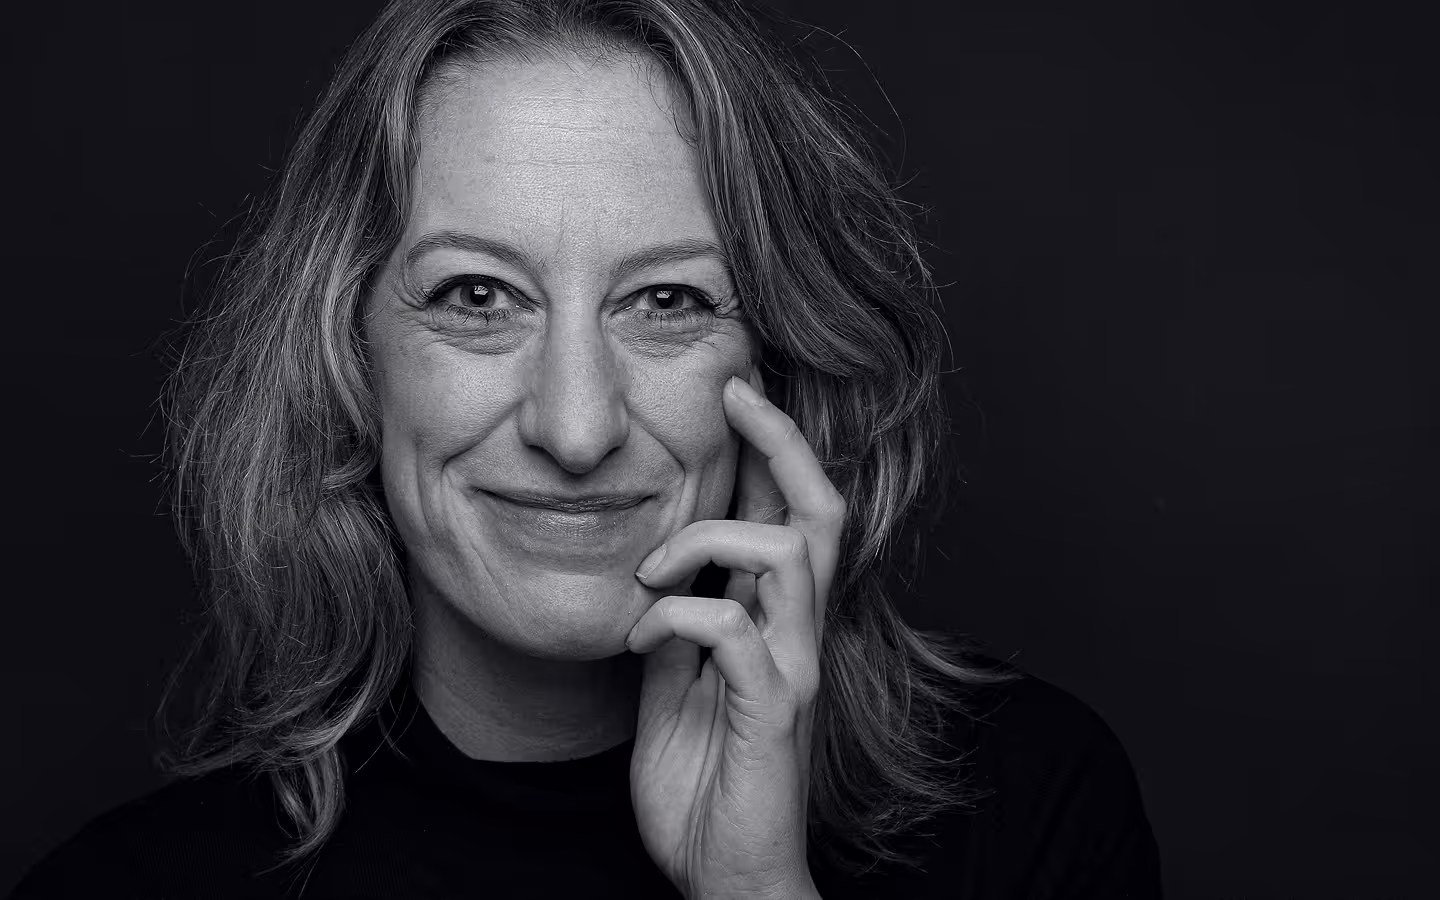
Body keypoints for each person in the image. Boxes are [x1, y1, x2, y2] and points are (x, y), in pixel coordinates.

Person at [10, 0, 1162, 897]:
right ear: (348, 355)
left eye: (665, 300)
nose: (576, 427)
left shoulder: (1030, 808)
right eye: (475, 295)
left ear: (778, 354)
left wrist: (753, 890)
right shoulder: (122, 887)